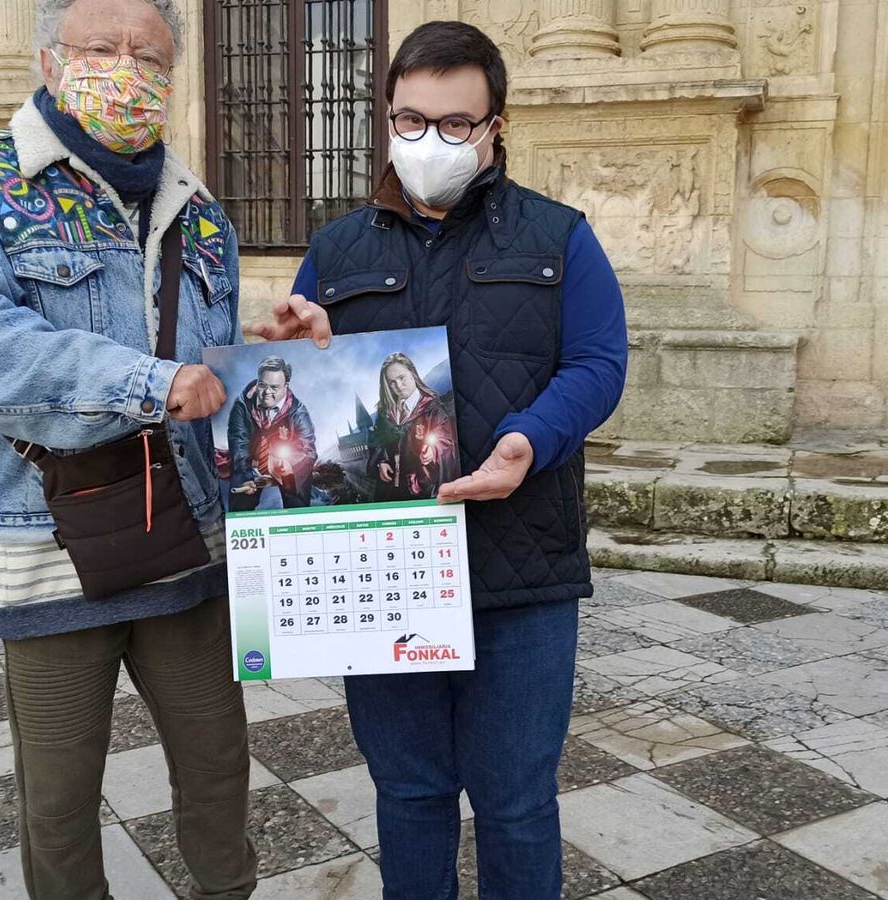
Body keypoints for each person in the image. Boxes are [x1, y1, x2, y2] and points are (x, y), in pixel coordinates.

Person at [252, 20, 629, 900]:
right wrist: (292, 346)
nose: (431, 141)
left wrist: (528, 441)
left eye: (456, 123)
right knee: (410, 792)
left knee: (516, 799)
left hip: (519, 566)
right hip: (387, 569)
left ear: (497, 125)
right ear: (387, 117)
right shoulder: (337, 250)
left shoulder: (559, 238)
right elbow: (303, 375)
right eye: (412, 120)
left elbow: (598, 364)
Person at [0, 1, 256, 897]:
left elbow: (204, 366)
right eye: (102, 48)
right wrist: (151, 384)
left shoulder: (200, 210)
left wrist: (264, 349)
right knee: (59, 800)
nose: (126, 70)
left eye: (149, 56)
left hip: (189, 544)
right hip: (53, 546)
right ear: (50, 61)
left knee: (218, 771)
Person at [226, 356, 317, 510]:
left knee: (297, 505)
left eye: (274, 387)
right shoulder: (242, 405)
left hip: (286, 472)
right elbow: (238, 444)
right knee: (240, 501)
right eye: (262, 385)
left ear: (286, 386)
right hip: (250, 467)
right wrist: (248, 476)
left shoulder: (298, 412)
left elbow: (309, 451)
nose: (267, 392)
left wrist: (290, 466)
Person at [368, 352, 456, 501]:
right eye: (392, 382)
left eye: (401, 378)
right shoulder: (385, 414)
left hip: (421, 488)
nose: (398, 386)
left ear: (412, 373)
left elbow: (445, 438)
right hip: (390, 491)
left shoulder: (432, 409)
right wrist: (381, 462)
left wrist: (433, 451)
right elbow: (377, 442)